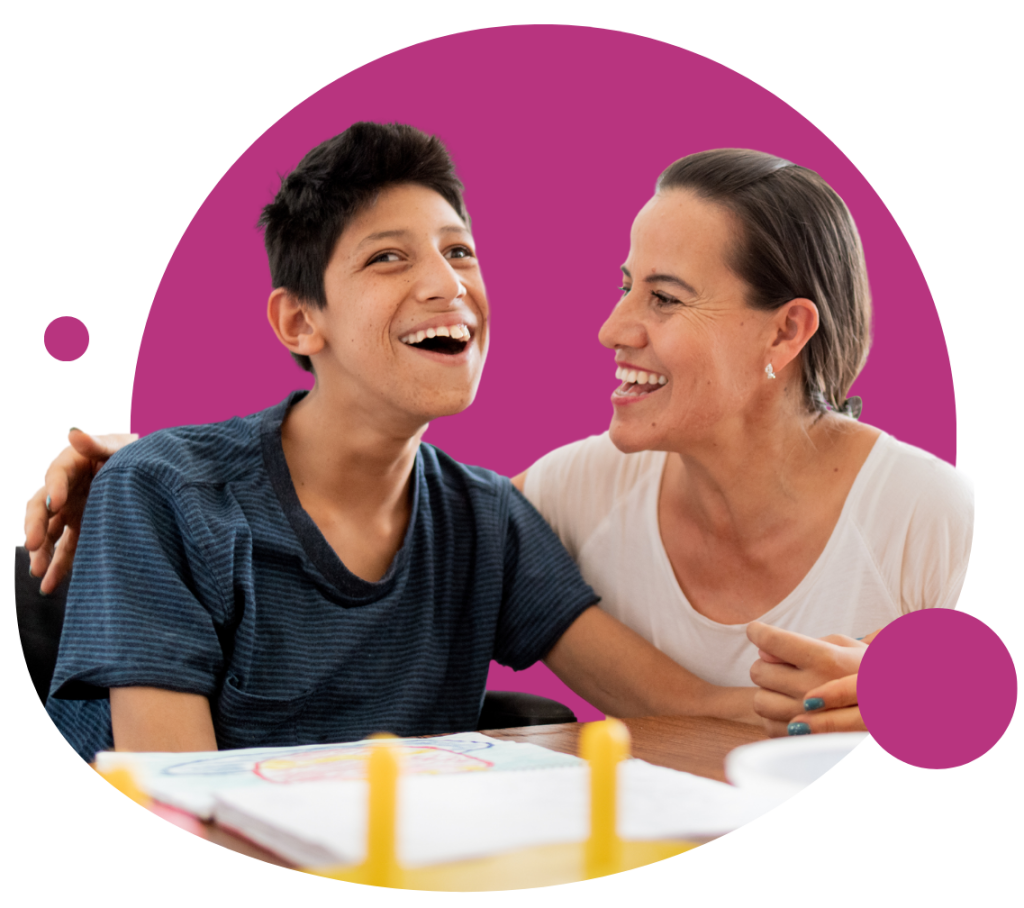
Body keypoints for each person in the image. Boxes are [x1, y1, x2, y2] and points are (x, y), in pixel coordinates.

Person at [24, 145, 973, 740]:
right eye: (389, 256)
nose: (447, 284)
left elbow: (696, 704)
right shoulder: (166, 497)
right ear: (297, 320)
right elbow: (178, 797)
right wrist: (151, 466)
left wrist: (895, 698)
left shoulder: (490, 521)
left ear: (787, 332)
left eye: (460, 250)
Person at [509, 149, 972, 713]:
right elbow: (435, 543)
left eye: (664, 298)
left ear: (784, 332)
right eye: (626, 287)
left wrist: (932, 702)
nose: (613, 329)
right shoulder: (581, 489)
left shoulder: (931, 517)